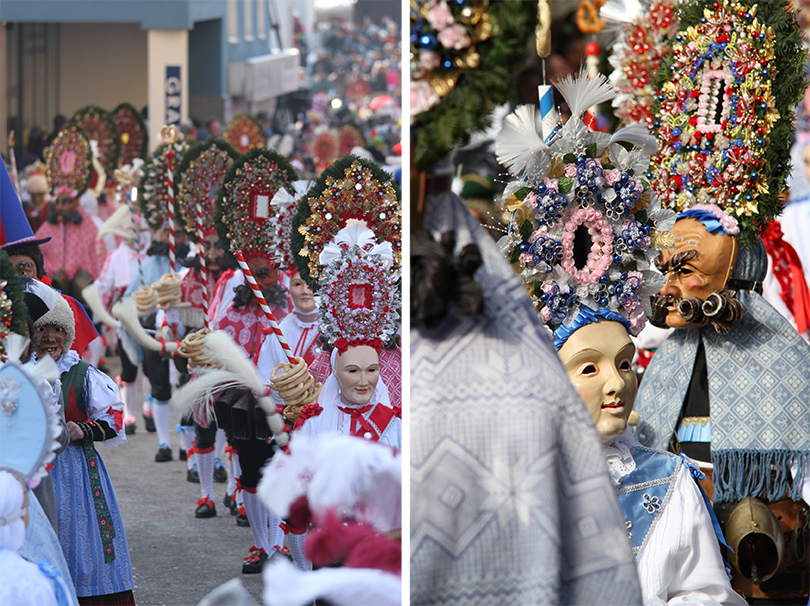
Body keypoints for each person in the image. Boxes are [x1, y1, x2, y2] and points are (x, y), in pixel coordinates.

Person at [33, 290, 135, 604]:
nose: (50, 337)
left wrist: (86, 429)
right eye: (42, 329)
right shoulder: (21, 370)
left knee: (82, 540)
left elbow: (114, 418)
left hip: (76, 471)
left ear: (69, 335)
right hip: (35, 469)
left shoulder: (82, 373)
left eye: (59, 329)